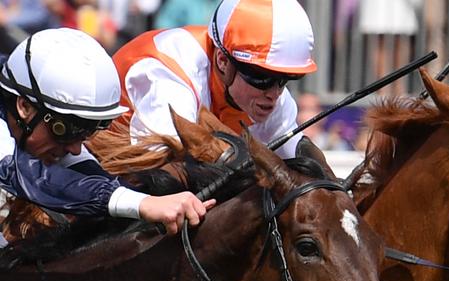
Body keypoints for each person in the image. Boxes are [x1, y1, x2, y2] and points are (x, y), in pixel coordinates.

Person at [0, 27, 214, 244]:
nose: (75, 148)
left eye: (86, 133)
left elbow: (90, 178)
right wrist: (142, 205)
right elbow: (33, 178)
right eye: (64, 131)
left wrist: (149, 202)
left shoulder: (37, 113)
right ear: (24, 106)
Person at [112, 0, 319, 161]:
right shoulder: (172, 75)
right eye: (261, 78)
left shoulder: (266, 94)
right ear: (222, 61)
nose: (274, 93)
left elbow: (293, 154)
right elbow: (166, 174)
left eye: (284, 79)